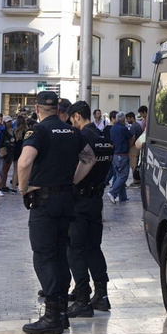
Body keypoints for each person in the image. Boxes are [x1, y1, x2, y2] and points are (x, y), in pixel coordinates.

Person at [16, 91, 95, 334]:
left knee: (44, 254)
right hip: (66, 200)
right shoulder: (72, 131)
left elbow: (24, 162)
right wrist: (71, 181)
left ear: (38, 108)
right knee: (61, 253)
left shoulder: (38, 131)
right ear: (57, 108)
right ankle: (61, 311)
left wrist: (23, 188)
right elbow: (89, 158)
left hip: (45, 202)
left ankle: (53, 314)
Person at [66, 102, 113, 317]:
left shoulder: (82, 137)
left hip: (81, 199)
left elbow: (85, 162)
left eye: (71, 119)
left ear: (77, 116)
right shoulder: (104, 137)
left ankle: (82, 297)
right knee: (94, 247)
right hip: (97, 198)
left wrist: (71, 183)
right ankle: (101, 295)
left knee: (75, 248)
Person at [106, 111, 134, 204]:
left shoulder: (112, 128)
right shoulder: (123, 128)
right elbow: (132, 137)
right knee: (123, 176)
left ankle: (123, 197)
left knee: (118, 175)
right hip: (123, 155)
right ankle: (112, 193)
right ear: (123, 119)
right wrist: (129, 147)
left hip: (115, 155)